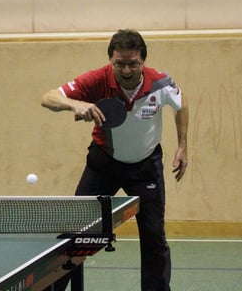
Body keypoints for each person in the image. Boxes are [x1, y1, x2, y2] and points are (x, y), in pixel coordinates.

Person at [41, 29, 188, 291]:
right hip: (104, 164)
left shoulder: (160, 83)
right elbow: (48, 98)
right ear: (111, 60)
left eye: (133, 63)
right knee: (77, 232)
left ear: (143, 61)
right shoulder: (97, 80)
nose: (127, 70)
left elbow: (181, 103)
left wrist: (182, 146)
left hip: (146, 167)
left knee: (154, 238)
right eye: (120, 64)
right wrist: (74, 104)